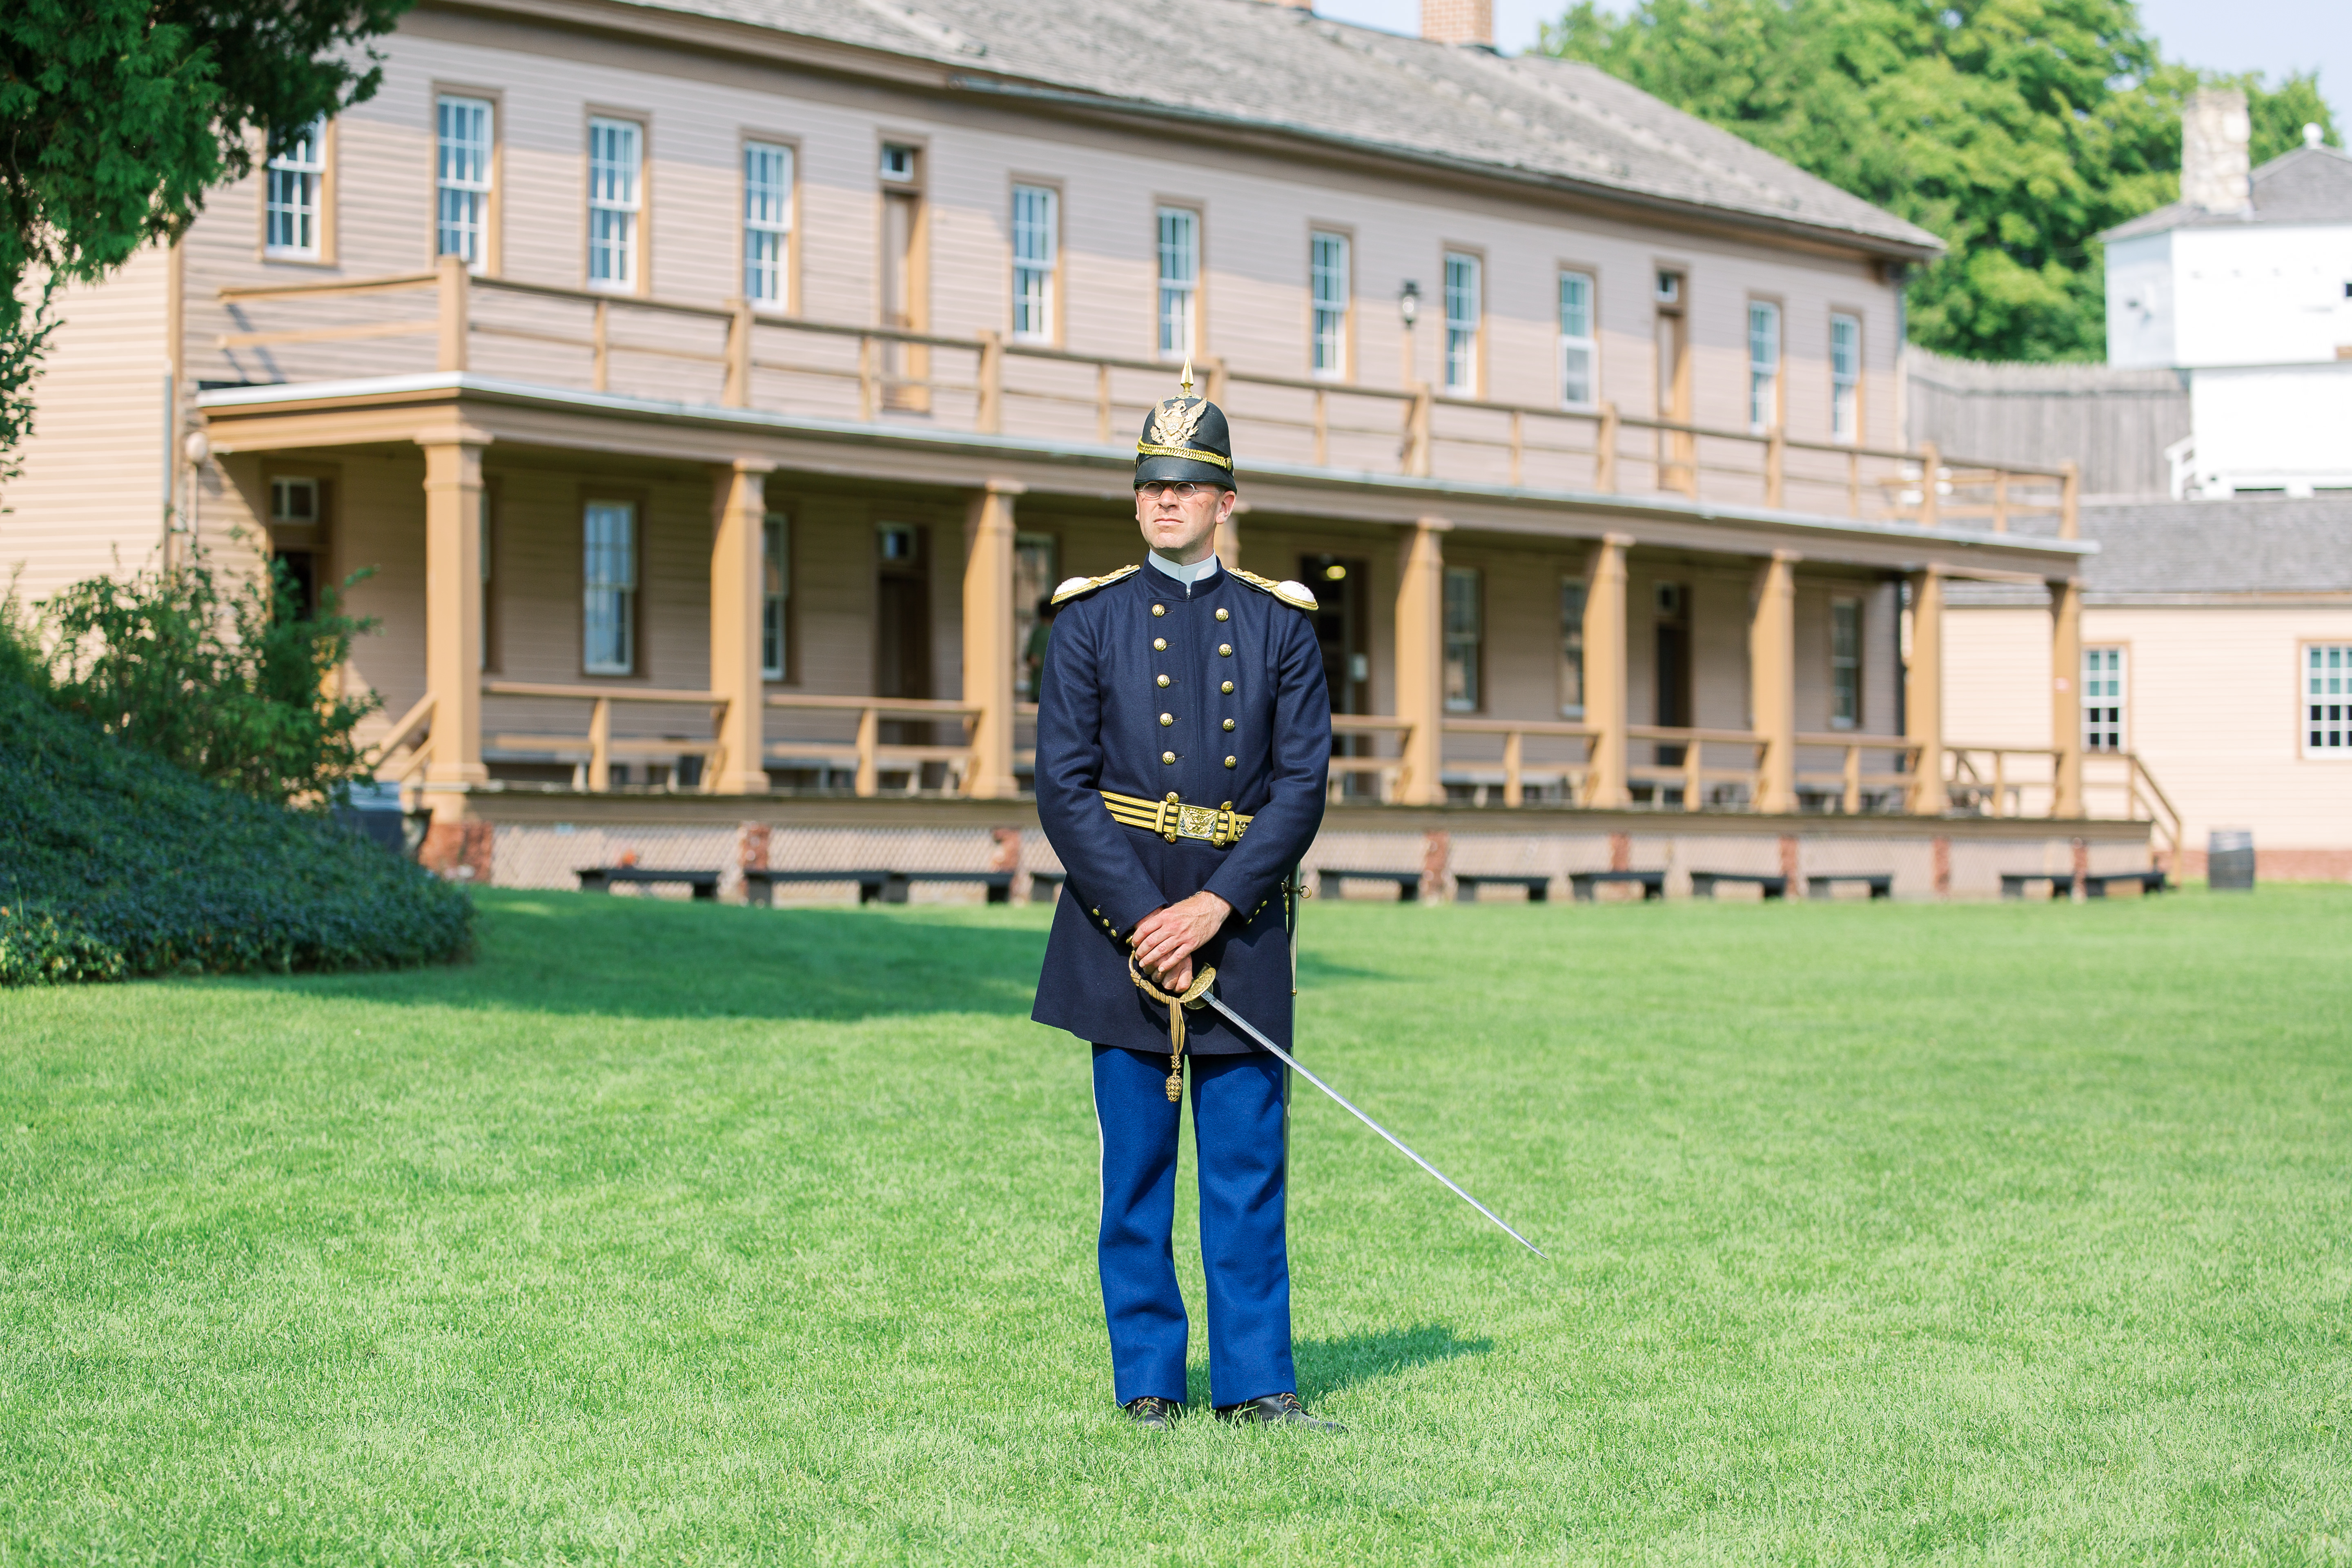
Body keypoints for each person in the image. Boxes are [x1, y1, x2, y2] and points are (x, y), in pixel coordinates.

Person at [1031, 369, 1339, 1431]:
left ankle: (1257, 1383)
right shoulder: (1085, 622)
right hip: (1117, 935)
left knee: (1249, 1174)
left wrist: (1211, 910)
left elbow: (1302, 789)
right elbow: (1062, 791)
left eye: (1189, 484)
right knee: (1137, 1178)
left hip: (1242, 931)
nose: (1167, 500)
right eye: (1152, 483)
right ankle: (1150, 1383)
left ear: (1227, 500)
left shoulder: (1283, 628)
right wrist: (1146, 924)